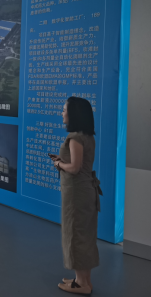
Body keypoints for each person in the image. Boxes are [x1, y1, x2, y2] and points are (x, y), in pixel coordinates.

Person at [49, 96, 101, 295]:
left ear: (74, 114)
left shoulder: (75, 138)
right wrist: (63, 161)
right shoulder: (87, 136)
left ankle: (80, 284)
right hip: (86, 191)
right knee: (84, 236)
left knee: (75, 235)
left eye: (65, 110)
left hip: (77, 194)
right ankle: (84, 280)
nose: (62, 113)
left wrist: (58, 163)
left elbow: (75, 168)